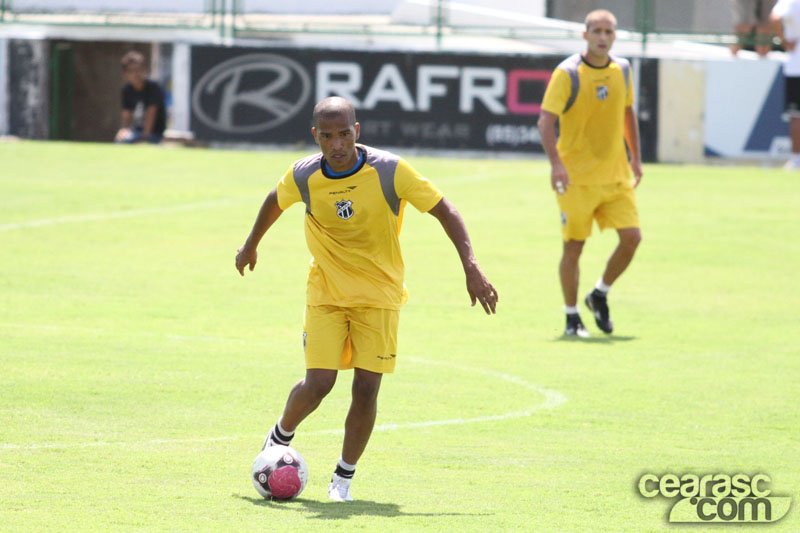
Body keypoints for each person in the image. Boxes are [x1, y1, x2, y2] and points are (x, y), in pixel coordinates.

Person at [235, 96, 498, 502]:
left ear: (357, 132)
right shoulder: (304, 175)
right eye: (327, 136)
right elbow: (275, 199)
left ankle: (342, 480)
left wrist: (471, 266)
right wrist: (251, 244)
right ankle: (278, 439)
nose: (337, 144)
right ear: (315, 136)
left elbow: (445, 209)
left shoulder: (391, 171)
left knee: (365, 390)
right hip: (325, 292)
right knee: (319, 383)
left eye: (344, 134)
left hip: (379, 297)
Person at [537, 9, 643, 337]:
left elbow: (628, 114)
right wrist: (556, 164)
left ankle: (599, 294)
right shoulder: (567, 73)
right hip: (576, 179)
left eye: (608, 32)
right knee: (574, 248)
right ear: (585, 35)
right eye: (596, 31)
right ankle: (571, 317)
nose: (602, 37)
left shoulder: (622, 69)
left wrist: (636, 159)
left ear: (615, 36)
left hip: (614, 175)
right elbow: (545, 121)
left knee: (632, 238)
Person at [771, 0, 800, 169]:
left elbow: (775, 18)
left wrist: (784, 40)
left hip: (796, 66)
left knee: (796, 115)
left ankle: (796, 160)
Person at [114, 51, 166, 144]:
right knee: (121, 141)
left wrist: (144, 138)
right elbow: (126, 116)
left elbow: (151, 114)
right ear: (125, 74)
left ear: (145, 70)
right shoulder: (127, 90)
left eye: (139, 70)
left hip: (154, 134)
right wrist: (123, 131)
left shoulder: (153, 88)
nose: (136, 74)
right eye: (131, 71)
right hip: (136, 131)